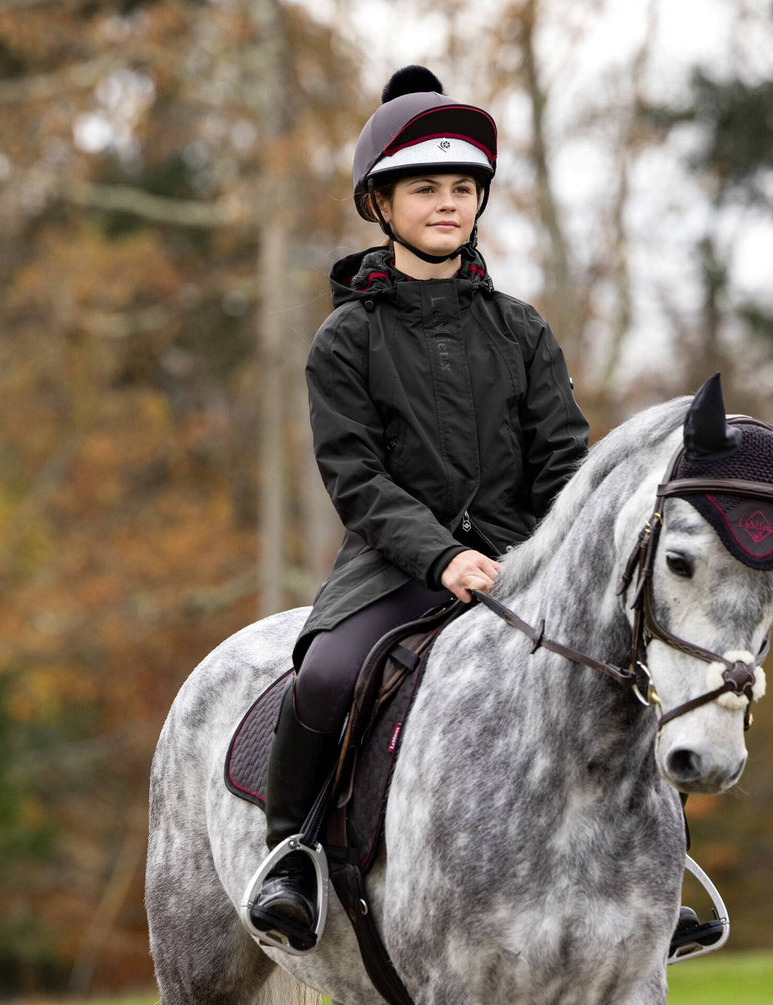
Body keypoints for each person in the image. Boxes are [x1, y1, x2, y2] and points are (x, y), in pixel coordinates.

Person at [247, 64, 589, 951]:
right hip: (395, 568)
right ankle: (288, 853)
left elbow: (564, 461)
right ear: (381, 204)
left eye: (464, 187)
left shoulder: (523, 330)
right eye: (427, 188)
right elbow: (356, 476)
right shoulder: (346, 339)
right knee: (323, 675)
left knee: (613, 665)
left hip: (525, 564)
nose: (449, 202)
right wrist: (440, 557)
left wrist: (550, 555)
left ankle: (648, 870)